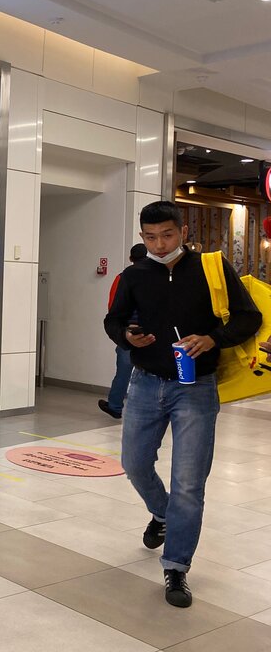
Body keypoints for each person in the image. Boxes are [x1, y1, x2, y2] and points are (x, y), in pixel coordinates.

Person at [104, 201, 261, 609]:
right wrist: (127, 337)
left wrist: (212, 339)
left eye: (167, 235)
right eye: (150, 237)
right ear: (142, 236)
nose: (159, 245)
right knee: (134, 463)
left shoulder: (212, 268)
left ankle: (176, 566)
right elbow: (113, 320)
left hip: (196, 387)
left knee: (189, 483)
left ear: (184, 232)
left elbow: (249, 317)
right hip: (145, 384)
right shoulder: (135, 275)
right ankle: (162, 513)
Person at [98, 243, 148, 419]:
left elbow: (113, 307)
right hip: (151, 333)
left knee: (124, 372)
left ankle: (115, 406)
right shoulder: (156, 276)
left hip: (129, 333)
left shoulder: (122, 277)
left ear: (130, 258)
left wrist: (119, 331)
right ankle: (147, 411)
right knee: (150, 373)